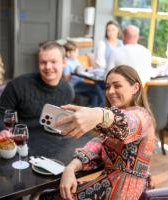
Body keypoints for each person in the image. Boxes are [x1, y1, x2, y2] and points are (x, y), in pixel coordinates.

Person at [40, 65, 155, 200]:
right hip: (113, 185)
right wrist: (70, 168)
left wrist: (99, 114)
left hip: (121, 193)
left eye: (117, 86)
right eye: (107, 87)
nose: (110, 91)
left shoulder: (141, 116)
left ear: (135, 88)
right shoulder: (114, 124)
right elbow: (98, 144)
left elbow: (127, 123)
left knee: (48, 197)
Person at [0, 41, 74, 139]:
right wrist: (1, 130)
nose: (48, 67)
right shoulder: (18, 85)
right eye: (43, 62)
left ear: (64, 63)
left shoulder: (68, 91)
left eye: (53, 62)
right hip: (22, 140)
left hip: (54, 142)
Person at [63, 41, 104, 107]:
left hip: (80, 84)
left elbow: (80, 68)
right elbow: (66, 78)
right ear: (68, 53)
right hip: (74, 85)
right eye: (76, 52)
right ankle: (103, 104)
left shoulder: (75, 60)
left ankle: (91, 111)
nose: (77, 54)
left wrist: (86, 69)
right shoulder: (67, 63)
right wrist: (74, 73)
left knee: (94, 96)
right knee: (96, 86)